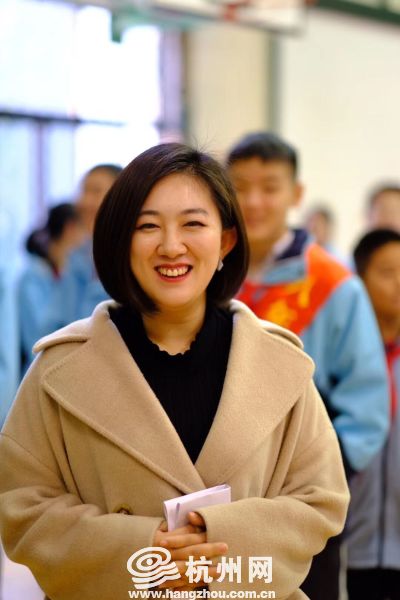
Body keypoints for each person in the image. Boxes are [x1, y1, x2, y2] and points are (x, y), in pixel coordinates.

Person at [0, 143, 349, 600]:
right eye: (147, 226)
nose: (170, 246)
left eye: (193, 224)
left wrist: (215, 548)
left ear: (226, 241)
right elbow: (22, 506)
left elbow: (321, 500)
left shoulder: (279, 362)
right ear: (121, 241)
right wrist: (143, 554)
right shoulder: (60, 367)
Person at [227, 132, 389, 600]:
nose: (254, 201)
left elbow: (367, 402)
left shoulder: (333, 285)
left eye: (270, 187)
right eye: (240, 186)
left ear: (296, 194)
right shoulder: (207, 274)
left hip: (300, 500)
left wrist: (320, 480)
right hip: (215, 500)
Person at [346, 229, 400, 600]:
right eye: (387, 272)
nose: (398, 283)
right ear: (361, 280)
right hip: (351, 545)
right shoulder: (344, 359)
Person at [18, 202, 84, 373]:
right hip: (41, 372)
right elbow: (36, 341)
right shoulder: (33, 277)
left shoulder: (70, 273)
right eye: (84, 230)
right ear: (70, 228)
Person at [69, 163, 123, 319]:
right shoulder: (78, 256)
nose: (85, 201)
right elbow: (56, 321)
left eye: (96, 191)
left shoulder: (135, 255)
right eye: (84, 191)